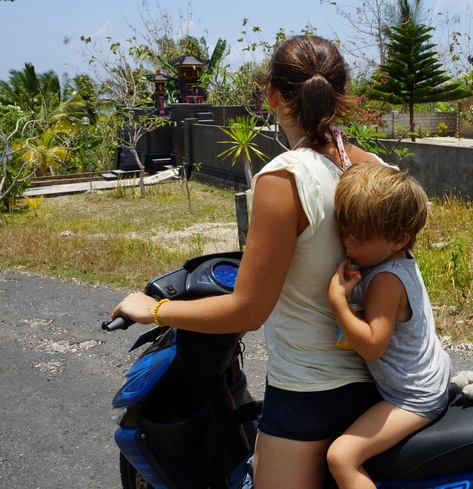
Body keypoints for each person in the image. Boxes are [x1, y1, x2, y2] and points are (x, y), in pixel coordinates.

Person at [111, 35, 384, 488]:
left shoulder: (284, 178)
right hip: (382, 383)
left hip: (311, 391)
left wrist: (154, 310)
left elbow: (248, 310)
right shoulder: (375, 168)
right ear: (341, 94)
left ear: (272, 95)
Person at [327, 163, 455, 489]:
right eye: (345, 230)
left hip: (414, 397)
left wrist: (338, 302)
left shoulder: (385, 279)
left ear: (399, 239)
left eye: (361, 237)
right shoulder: (396, 260)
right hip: (430, 375)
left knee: (341, 457)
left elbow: (372, 347)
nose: (348, 243)